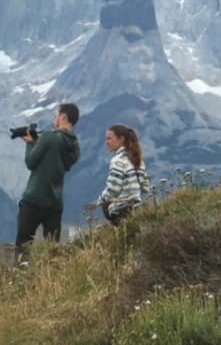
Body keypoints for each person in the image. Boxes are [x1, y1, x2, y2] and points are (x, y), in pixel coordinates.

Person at [16, 102, 81, 249]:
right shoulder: (75, 145)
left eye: (56, 116)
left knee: (23, 247)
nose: (54, 120)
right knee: (52, 250)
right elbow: (61, 162)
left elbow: (31, 162)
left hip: (34, 199)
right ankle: (50, 272)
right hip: (55, 203)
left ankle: (22, 270)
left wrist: (30, 144)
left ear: (63, 117)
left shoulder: (48, 137)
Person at [96, 124, 150, 225]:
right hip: (137, 208)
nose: (106, 142)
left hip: (120, 210)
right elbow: (145, 187)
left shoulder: (117, 161)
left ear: (121, 139)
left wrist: (101, 200)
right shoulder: (138, 159)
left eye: (109, 138)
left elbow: (113, 189)